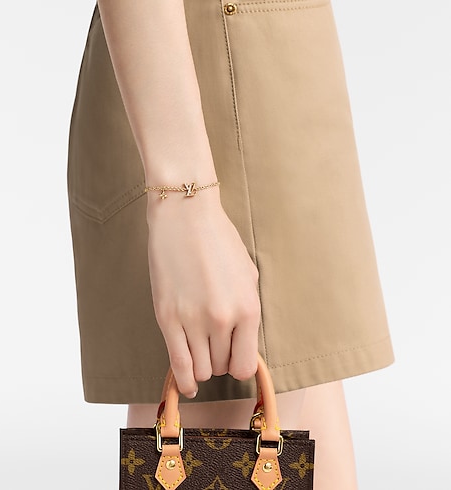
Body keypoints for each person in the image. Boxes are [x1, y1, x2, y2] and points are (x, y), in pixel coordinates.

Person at [67, 1, 394, 488]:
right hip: (215, 100)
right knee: (217, 417)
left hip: (284, 81)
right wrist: (185, 199)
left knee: (296, 435)